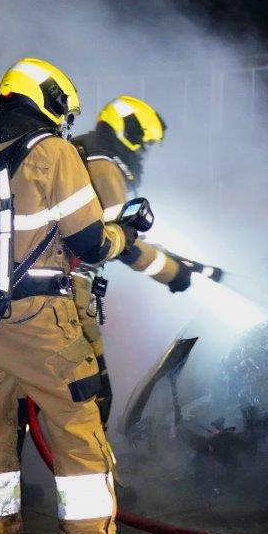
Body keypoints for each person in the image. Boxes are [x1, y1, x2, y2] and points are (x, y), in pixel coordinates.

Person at [0, 58, 140, 534]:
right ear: (46, 97)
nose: (64, 118)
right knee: (78, 426)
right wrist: (124, 234)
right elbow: (91, 242)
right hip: (39, 319)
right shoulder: (53, 152)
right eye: (63, 106)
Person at [69, 95, 189, 426]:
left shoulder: (83, 151)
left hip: (48, 282)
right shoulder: (104, 161)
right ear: (129, 132)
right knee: (90, 389)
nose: (142, 154)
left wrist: (169, 258)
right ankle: (92, 473)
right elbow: (117, 239)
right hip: (68, 286)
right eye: (143, 144)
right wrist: (173, 273)